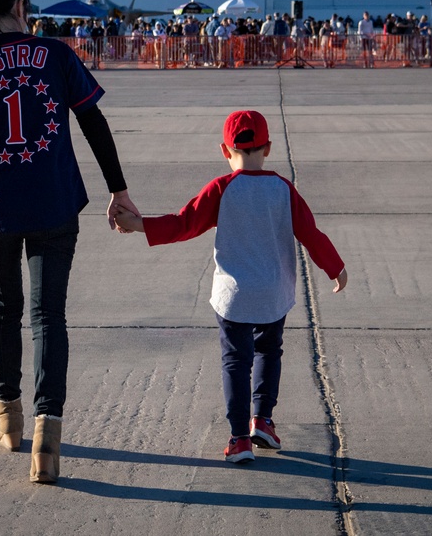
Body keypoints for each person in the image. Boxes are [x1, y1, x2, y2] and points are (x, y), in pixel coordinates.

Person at [0, 0, 139, 484]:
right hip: (55, 203)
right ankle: (48, 433)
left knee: (3, 307)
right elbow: (94, 122)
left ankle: (10, 419)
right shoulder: (58, 55)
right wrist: (119, 190)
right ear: (21, 8)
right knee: (50, 317)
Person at [114, 110, 347, 463]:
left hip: (233, 296)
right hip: (272, 293)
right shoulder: (283, 189)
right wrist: (336, 268)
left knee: (236, 362)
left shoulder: (222, 189)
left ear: (225, 150)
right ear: (268, 148)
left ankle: (239, 440)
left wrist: (138, 225)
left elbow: (183, 224)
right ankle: (263, 421)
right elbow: (310, 234)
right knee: (269, 352)